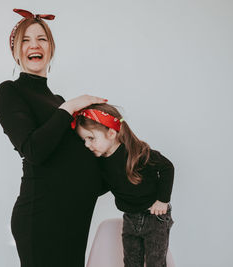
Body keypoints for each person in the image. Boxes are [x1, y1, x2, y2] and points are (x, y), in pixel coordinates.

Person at [0, 9, 108, 267]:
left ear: (51, 48)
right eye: (25, 40)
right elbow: (34, 149)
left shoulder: (56, 101)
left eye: (42, 39)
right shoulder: (10, 92)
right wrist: (71, 107)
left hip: (74, 218)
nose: (34, 45)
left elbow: (76, 164)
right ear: (15, 51)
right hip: (41, 219)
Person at [72, 103, 175, 267]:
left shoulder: (137, 152)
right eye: (84, 140)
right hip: (130, 217)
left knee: (155, 262)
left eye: (91, 138)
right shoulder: (101, 161)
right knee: (131, 261)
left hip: (154, 216)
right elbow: (107, 184)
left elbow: (167, 167)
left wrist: (162, 200)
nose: (86, 144)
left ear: (111, 133)